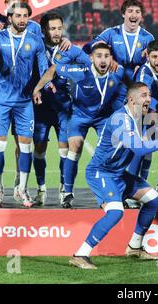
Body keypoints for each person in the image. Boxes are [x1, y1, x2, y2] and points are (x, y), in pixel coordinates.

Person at [68, 82, 158, 269]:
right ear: (131, 99)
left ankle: (135, 247)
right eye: (144, 95)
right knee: (115, 212)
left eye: (149, 95)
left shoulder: (142, 115)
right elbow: (138, 148)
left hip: (118, 173)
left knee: (153, 199)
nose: (148, 99)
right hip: (101, 172)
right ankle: (80, 254)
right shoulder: (120, 119)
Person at [33, 43, 125, 208]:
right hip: (79, 115)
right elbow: (54, 68)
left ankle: (114, 192)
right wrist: (37, 89)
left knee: (111, 151)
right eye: (99, 56)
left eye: (106, 56)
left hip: (103, 117)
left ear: (111, 59)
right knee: (74, 147)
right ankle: (67, 192)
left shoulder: (117, 72)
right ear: (91, 58)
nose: (103, 60)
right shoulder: (81, 72)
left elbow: (128, 87)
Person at [0, 3, 49, 208]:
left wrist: (45, 84)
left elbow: (43, 66)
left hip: (24, 101)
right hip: (0, 100)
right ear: (9, 17)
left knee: (26, 147)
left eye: (25, 16)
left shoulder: (35, 41)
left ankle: (23, 189)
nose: (22, 19)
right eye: (18, 15)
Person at [32, 12, 91, 206]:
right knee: (39, 149)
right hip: (41, 108)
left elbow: (90, 66)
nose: (57, 32)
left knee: (65, 152)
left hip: (65, 109)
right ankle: (41, 188)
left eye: (59, 28)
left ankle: (64, 189)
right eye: (52, 28)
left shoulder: (71, 50)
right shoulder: (35, 45)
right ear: (44, 30)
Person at [82, 0, 154, 84]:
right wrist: (102, 49)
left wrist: (144, 64)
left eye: (137, 12)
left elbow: (153, 62)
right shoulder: (111, 33)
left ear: (141, 16)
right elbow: (87, 48)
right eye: (130, 11)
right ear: (123, 14)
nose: (134, 15)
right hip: (115, 81)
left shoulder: (148, 37)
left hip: (138, 82)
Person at [132, 40, 158, 181]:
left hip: (153, 113)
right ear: (147, 57)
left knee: (148, 153)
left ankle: (148, 189)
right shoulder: (144, 75)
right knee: (140, 152)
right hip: (139, 114)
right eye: (154, 57)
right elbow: (144, 100)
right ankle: (133, 189)